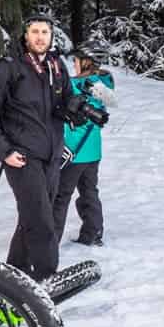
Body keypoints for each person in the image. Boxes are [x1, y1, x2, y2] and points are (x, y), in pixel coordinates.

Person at [0, 9, 74, 281]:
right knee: (40, 221)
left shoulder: (56, 66)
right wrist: (4, 151)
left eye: (45, 32)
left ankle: (14, 277)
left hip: (51, 156)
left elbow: (61, 106)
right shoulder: (9, 67)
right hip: (22, 157)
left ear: (51, 36)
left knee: (34, 218)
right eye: (35, 32)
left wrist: (78, 109)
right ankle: (47, 277)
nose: (40, 37)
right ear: (25, 35)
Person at [54, 41, 116, 247]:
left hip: (73, 151)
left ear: (87, 62)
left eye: (77, 60)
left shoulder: (73, 85)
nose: (75, 64)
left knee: (60, 197)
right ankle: (93, 233)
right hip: (92, 151)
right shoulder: (104, 83)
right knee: (89, 192)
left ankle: (49, 242)